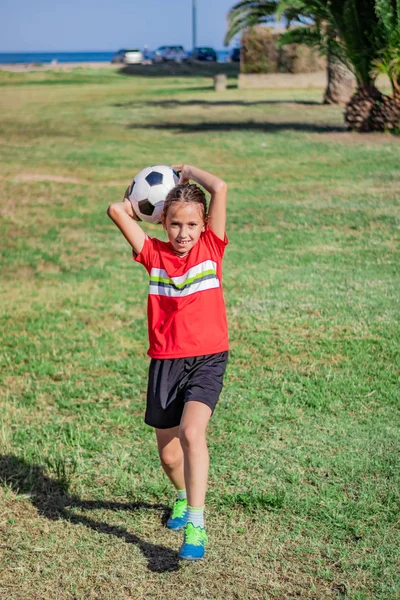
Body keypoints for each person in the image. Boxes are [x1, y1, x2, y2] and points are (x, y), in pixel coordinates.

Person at [107, 164, 229, 561]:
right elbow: (115, 210)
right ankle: (181, 495)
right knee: (169, 454)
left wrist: (187, 172)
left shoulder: (213, 247)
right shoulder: (152, 254)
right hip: (165, 363)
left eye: (192, 225)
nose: (184, 234)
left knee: (193, 434)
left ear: (204, 224)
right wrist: (135, 203)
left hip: (208, 358)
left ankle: (196, 522)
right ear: (162, 222)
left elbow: (221, 186)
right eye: (175, 224)